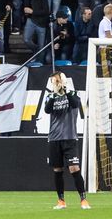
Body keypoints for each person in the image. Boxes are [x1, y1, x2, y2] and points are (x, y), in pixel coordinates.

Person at [45, 71, 89, 210]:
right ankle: (61, 201)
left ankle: (83, 200)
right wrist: (54, 93)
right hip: (54, 138)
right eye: (53, 81)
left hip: (69, 138)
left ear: (63, 81)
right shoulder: (50, 97)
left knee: (74, 168)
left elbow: (75, 104)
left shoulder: (73, 94)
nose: (55, 83)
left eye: (57, 80)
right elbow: (47, 110)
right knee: (57, 170)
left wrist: (66, 89)